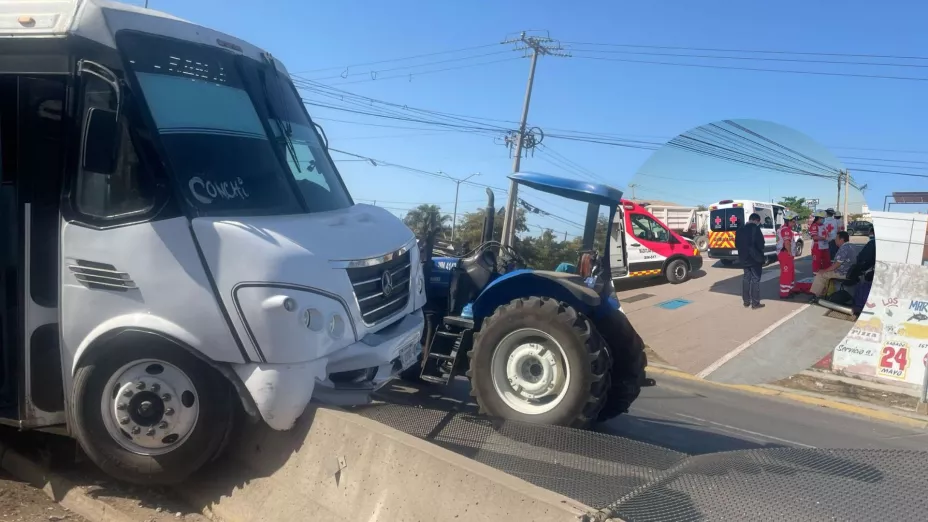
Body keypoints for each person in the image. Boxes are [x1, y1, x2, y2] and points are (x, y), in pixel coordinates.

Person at [735, 212, 766, 309]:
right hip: (755, 259)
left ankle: (746, 302)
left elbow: (736, 244)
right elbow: (761, 244)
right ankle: (755, 303)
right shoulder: (756, 229)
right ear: (756, 220)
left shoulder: (740, 229)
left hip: (743, 258)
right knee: (755, 280)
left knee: (746, 279)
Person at [810, 231, 855, 298]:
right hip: (848, 272)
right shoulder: (850, 247)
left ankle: (815, 295)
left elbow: (837, 264)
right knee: (826, 272)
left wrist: (825, 270)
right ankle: (824, 293)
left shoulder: (843, 249)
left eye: (836, 238)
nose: (835, 240)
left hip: (842, 273)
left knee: (820, 274)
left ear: (841, 240)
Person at [777, 216, 798, 299]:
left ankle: (789, 290)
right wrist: (789, 253)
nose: (794, 223)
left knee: (790, 273)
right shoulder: (786, 230)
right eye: (793, 222)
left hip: (784, 254)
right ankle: (784, 293)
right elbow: (787, 243)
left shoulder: (783, 229)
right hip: (785, 254)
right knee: (786, 274)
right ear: (788, 221)